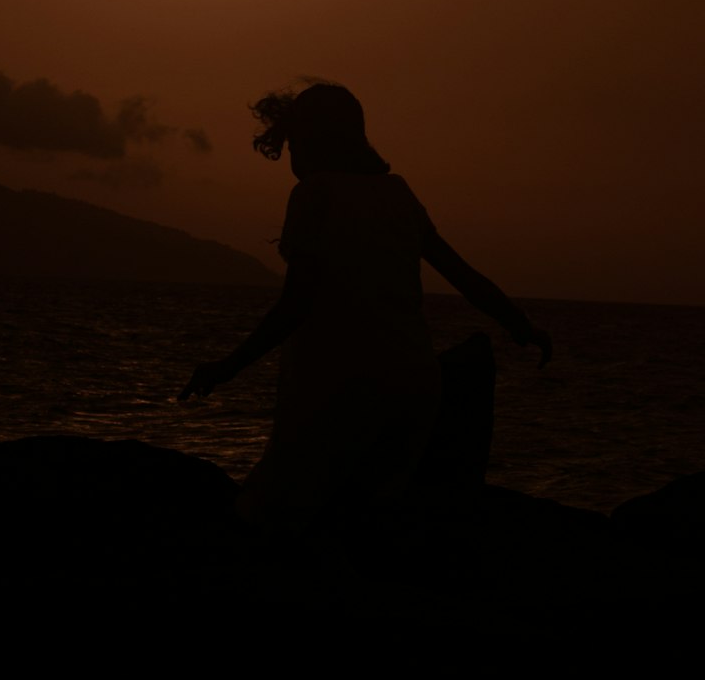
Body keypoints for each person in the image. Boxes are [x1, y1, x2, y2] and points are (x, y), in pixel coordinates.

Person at [179, 82, 552, 534]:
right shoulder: (398, 193)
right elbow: (463, 276)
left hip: (337, 385)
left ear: (313, 142)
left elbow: (296, 304)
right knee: (363, 523)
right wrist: (519, 324)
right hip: (412, 387)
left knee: (271, 520)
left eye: (295, 142)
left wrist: (226, 367)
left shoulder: (315, 194)